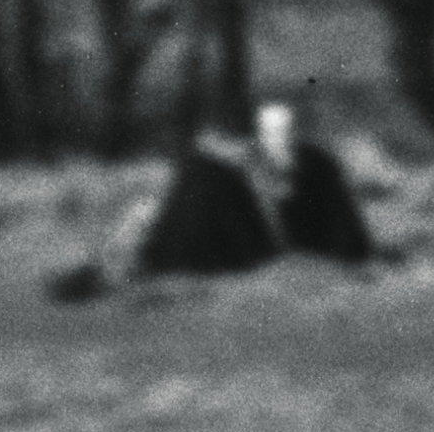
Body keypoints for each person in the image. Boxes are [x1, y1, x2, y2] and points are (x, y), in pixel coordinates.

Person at [53, 98, 372, 298]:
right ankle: (115, 268)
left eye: (283, 131)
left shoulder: (311, 165)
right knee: (185, 183)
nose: (277, 138)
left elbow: (283, 209)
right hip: (232, 240)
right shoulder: (276, 162)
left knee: (198, 172)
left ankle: (115, 270)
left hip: (247, 243)